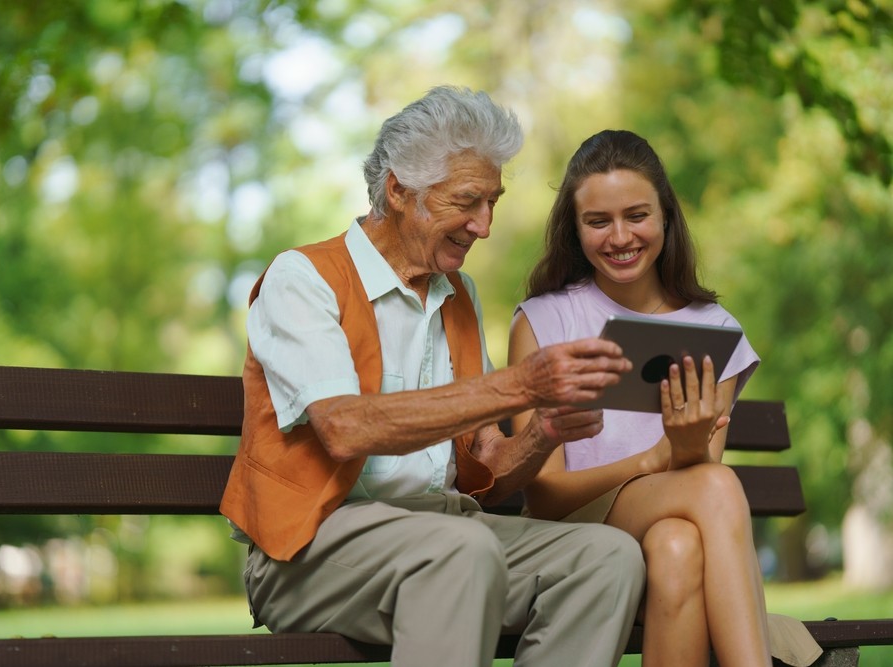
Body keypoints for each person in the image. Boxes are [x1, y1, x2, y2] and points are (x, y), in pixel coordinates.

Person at [219, 87, 646, 667]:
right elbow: (343, 427)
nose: (485, 225)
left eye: (493, 201)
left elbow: (485, 468)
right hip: (311, 550)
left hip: (445, 533)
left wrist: (543, 431)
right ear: (398, 190)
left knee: (607, 558)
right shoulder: (305, 278)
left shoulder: (458, 295)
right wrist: (521, 385)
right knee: (462, 550)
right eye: (468, 201)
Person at [508, 129, 821, 667]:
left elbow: (697, 497)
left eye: (637, 215)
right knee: (717, 484)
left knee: (678, 545)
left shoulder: (713, 329)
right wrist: (655, 459)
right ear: (574, 228)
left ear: (666, 217)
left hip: (672, 537)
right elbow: (544, 496)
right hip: (573, 533)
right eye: (598, 221)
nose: (620, 237)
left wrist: (686, 448)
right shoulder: (544, 320)